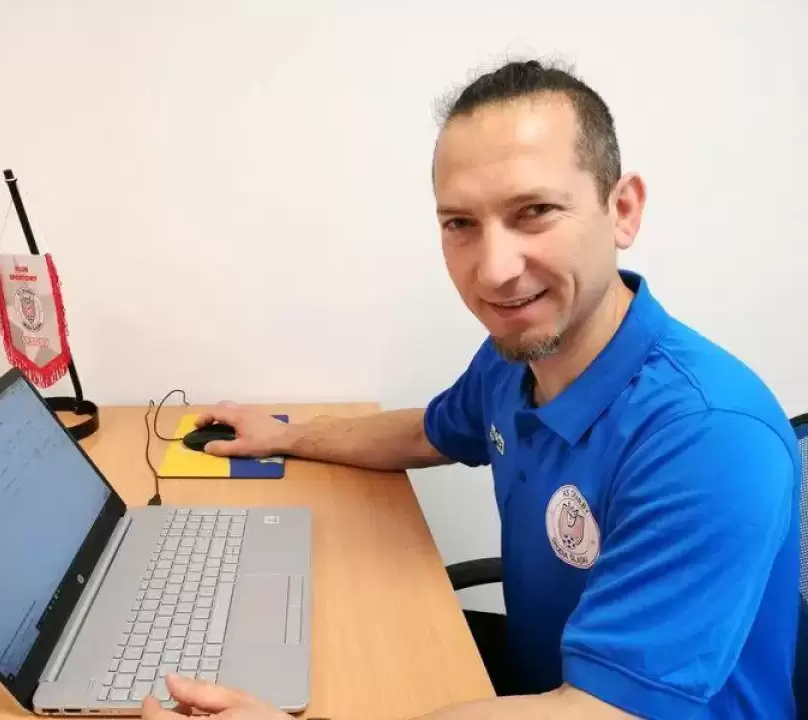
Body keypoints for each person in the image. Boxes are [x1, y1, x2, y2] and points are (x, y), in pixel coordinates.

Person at [142, 60, 800, 719]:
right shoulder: (516, 356)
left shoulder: (710, 437)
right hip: (543, 684)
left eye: (534, 212)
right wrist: (287, 436)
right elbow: (427, 432)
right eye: (460, 223)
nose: (493, 270)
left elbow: (601, 712)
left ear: (621, 210)